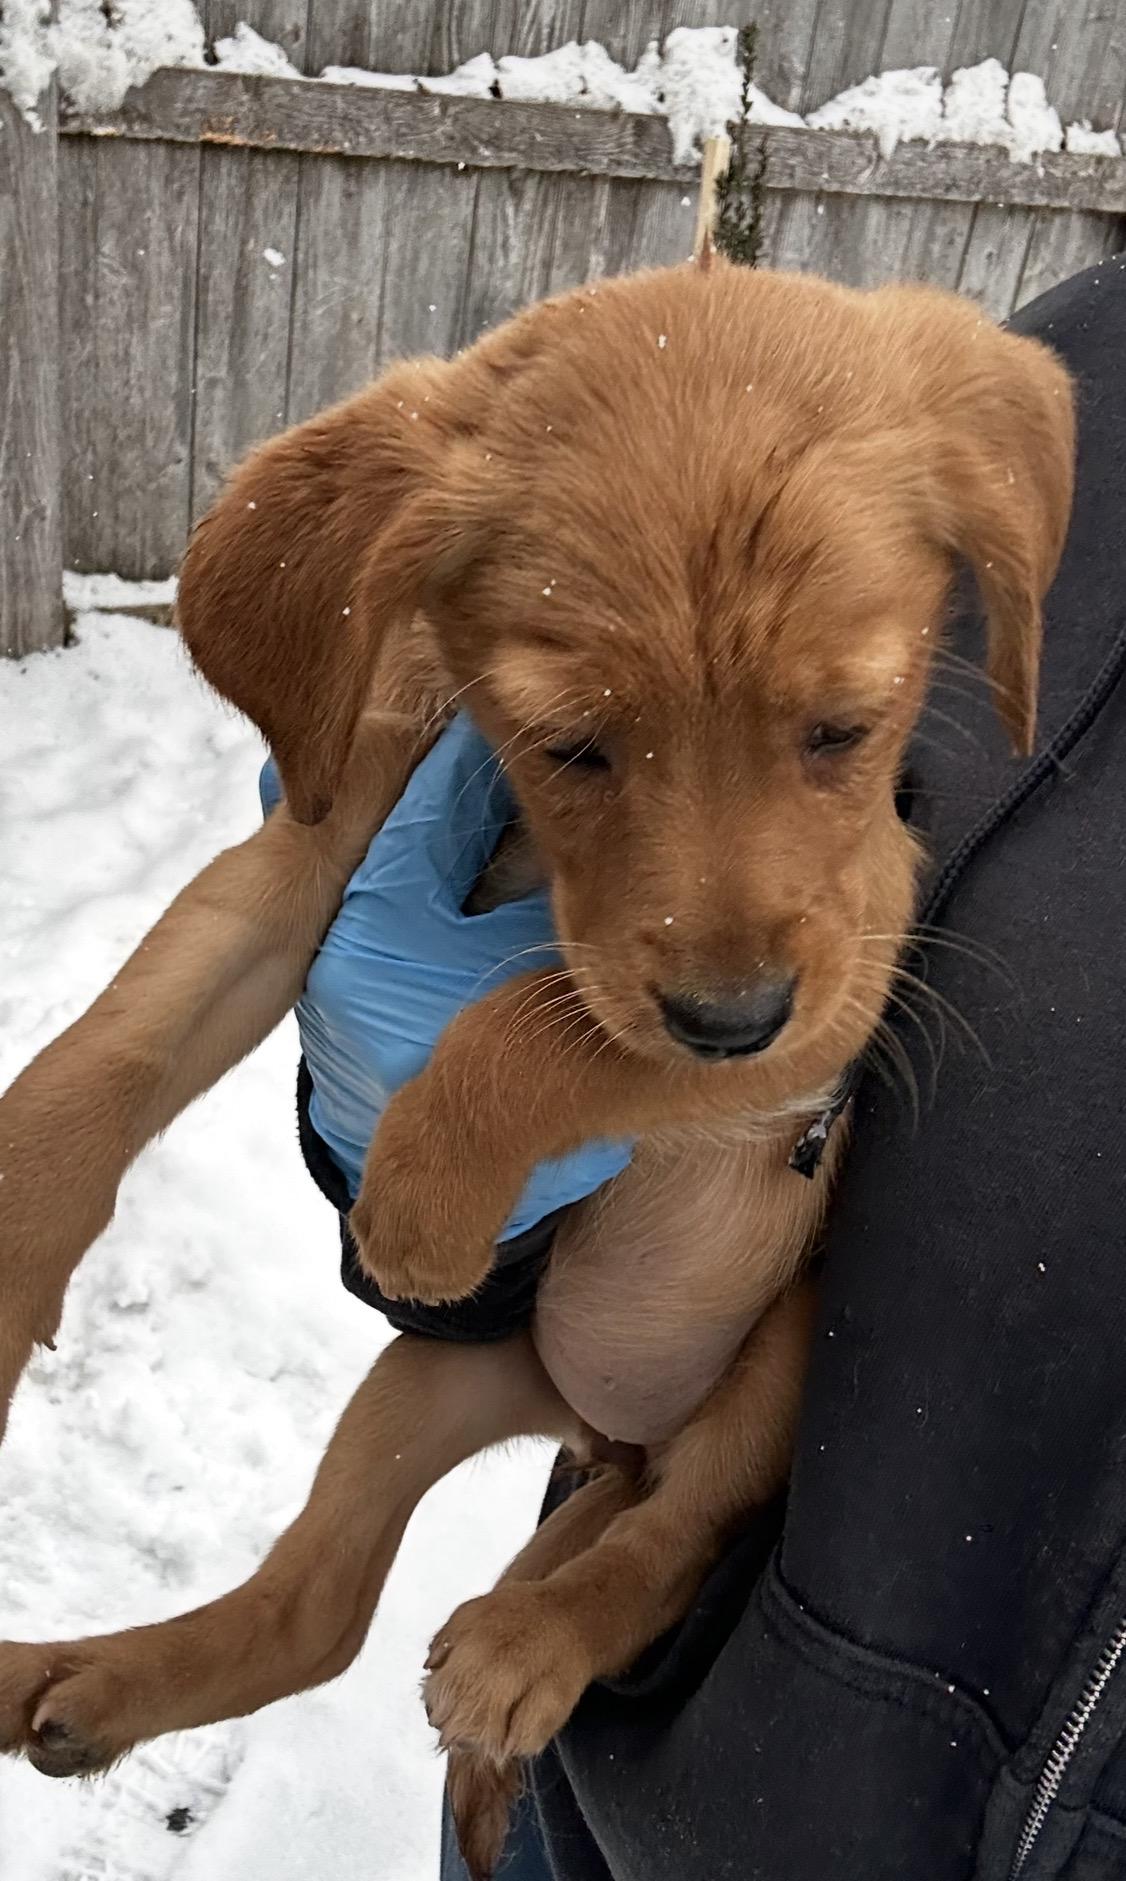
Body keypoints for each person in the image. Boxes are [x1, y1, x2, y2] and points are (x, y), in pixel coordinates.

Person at [279, 258, 1126, 1880]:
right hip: (608, 1759)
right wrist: (445, 1163)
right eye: (575, 741)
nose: (728, 956)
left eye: (840, 732)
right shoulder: (1066, 372)